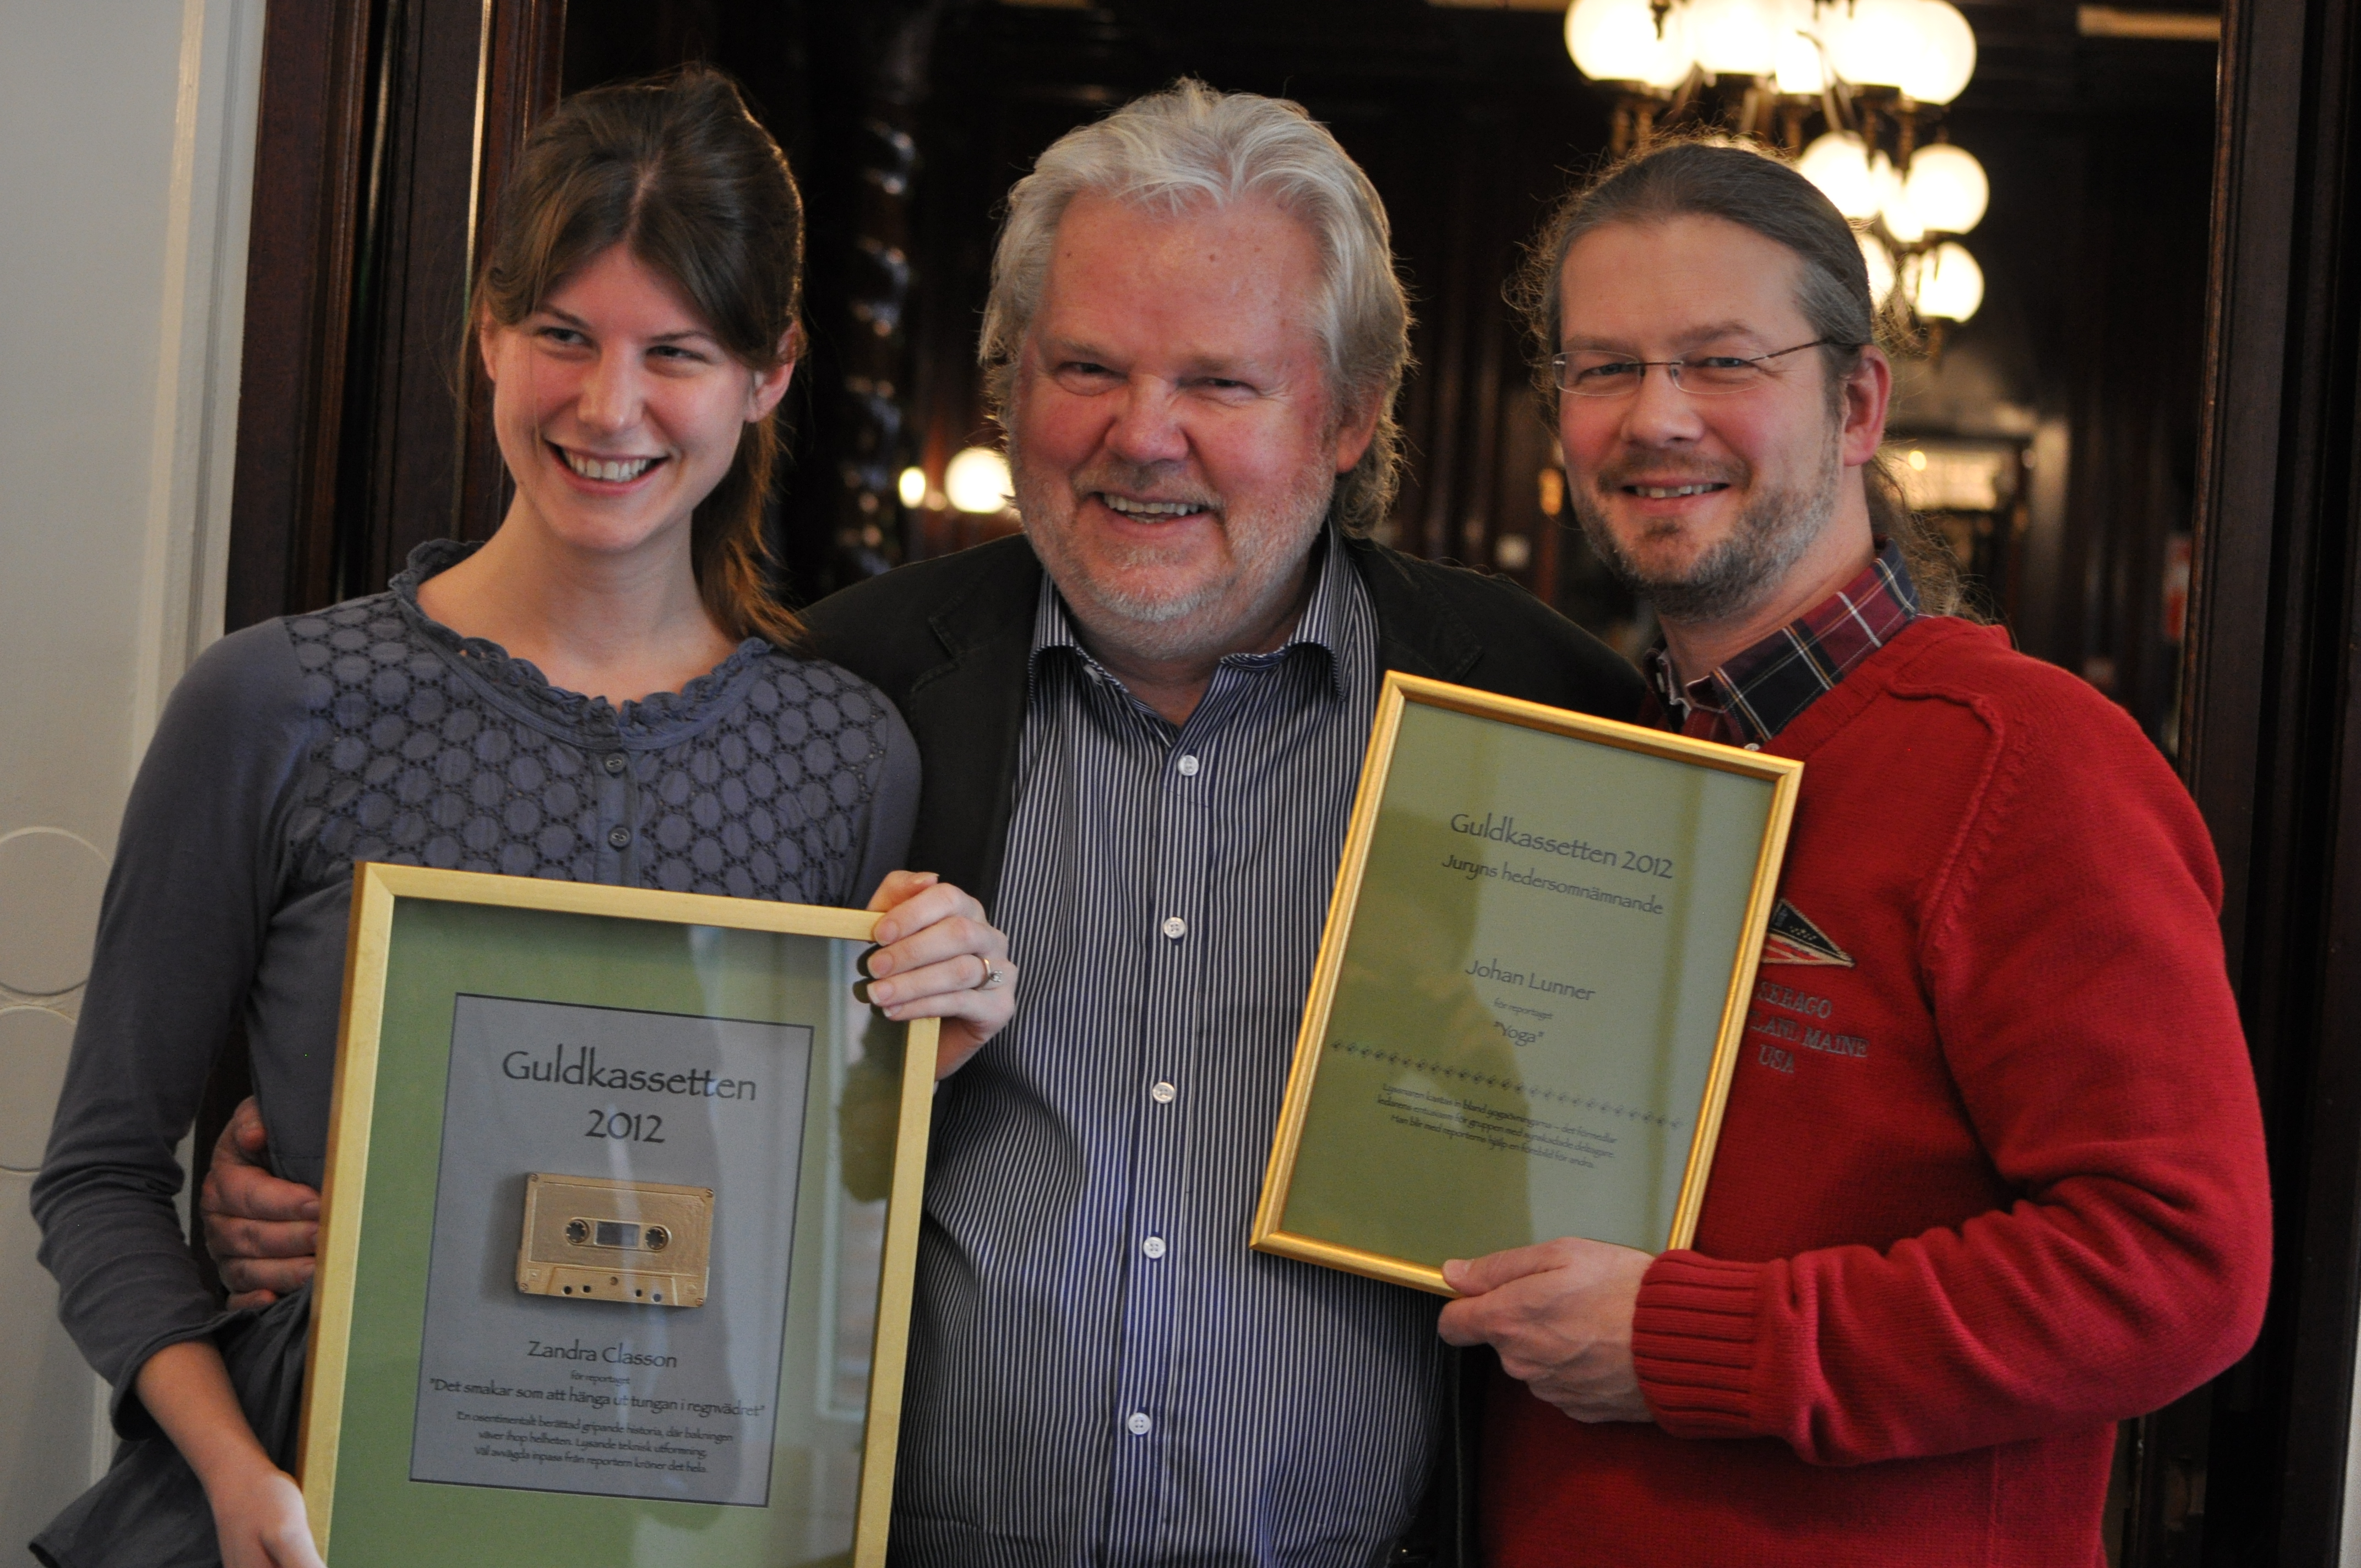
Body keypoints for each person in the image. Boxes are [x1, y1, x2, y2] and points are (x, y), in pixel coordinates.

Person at [205, 80, 1646, 1564]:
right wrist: (352, 1173)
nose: (1141, 436)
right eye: (1085, 366)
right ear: (1010, 391)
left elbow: (1668, 1129)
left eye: (1220, 383)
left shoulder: (1544, 715)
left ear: (1348, 417)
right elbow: (632, 1057)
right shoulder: (836, 693)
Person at [31, 68, 1014, 1568]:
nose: (608, 407)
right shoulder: (273, 705)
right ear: (490, 332)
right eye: (564, 334)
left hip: (666, 1530)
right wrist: (240, 1480)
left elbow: (801, 1255)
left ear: (769, 373)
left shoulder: (845, 756)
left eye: (674, 351)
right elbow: (100, 1178)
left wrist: (930, 1061)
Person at [1434, 137, 2272, 1565]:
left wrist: (1699, 1341)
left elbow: (2179, 1267)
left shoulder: (2031, 763)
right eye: (1603, 368)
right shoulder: (1598, 762)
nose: (1659, 417)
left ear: (1860, 400)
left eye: (1723, 361)